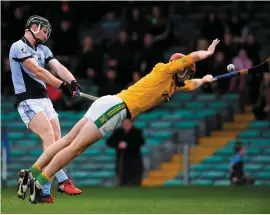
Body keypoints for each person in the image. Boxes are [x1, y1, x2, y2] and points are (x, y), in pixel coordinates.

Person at [18, 38, 220, 204]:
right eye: (186, 71)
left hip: (111, 103)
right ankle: (41, 182)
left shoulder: (172, 86)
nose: (187, 75)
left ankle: (31, 174)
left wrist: (204, 80)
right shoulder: (165, 69)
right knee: (75, 147)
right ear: (178, 67)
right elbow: (192, 57)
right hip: (117, 109)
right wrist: (208, 53)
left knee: (67, 141)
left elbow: (191, 85)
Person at [9, 15, 82, 203]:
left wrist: (72, 82)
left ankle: (32, 181)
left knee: (59, 142)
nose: (46, 34)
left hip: (44, 100)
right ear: (33, 27)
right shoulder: (18, 47)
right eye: (44, 30)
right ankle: (55, 183)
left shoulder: (43, 49)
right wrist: (61, 85)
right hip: (27, 101)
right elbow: (37, 71)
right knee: (49, 137)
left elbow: (57, 67)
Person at [107, 119, 145, 186]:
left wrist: (127, 145)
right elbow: (109, 141)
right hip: (122, 158)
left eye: (127, 122)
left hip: (134, 158)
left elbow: (140, 142)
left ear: (131, 123)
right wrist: (118, 144)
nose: (126, 124)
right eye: (124, 123)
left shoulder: (137, 132)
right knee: (122, 177)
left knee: (135, 177)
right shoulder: (118, 132)